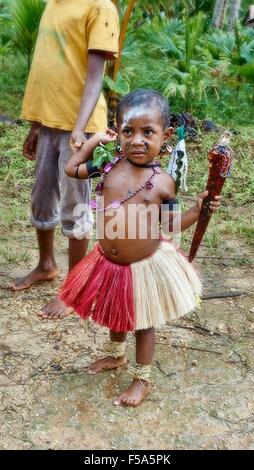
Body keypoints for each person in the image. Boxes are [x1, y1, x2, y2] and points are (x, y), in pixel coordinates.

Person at [60, 89, 221, 407]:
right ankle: (117, 356)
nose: (137, 140)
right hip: (107, 262)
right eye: (128, 131)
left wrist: (198, 210)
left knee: (143, 322)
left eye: (148, 132)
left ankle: (142, 379)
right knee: (114, 314)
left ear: (166, 135)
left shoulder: (163, 182)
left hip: (144, 266)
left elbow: (172, 226)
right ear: (117, 131)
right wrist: (93, 141)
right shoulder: (106, 167)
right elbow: (71, 168)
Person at [11, 0, 119, 321]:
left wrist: (79, 130)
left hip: (80, 129)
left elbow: (95, 77)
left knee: (76, 204)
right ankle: (47, 265)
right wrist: (34, 125)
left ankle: (74, 287)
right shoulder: (52, 5)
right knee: (42, 197)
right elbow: (45, 72)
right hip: (48, 122)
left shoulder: (100, 7)